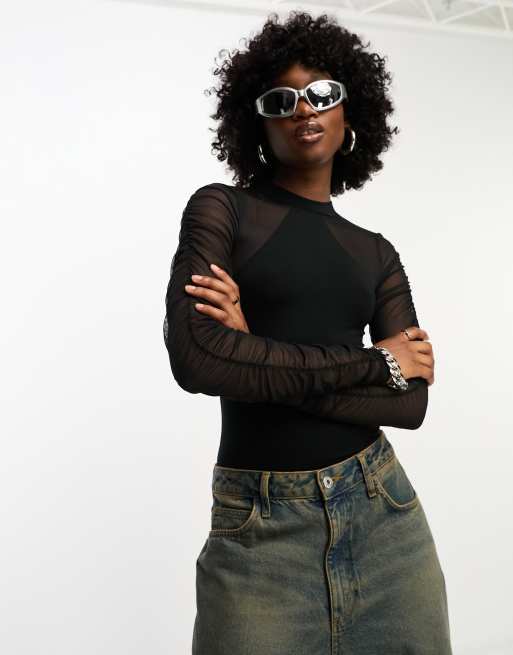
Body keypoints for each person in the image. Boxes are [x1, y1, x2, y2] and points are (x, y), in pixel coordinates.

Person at [163, 10, 452, 655]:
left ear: (351, 111)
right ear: (257, 124)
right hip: (258, 527)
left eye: (322, 93)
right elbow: (198, 360)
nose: (303, 109)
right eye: (281, 100)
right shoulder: (222, 210)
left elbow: (410, 404)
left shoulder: (375, 252)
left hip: (384, 514)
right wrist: (374, 364)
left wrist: (254, 356)